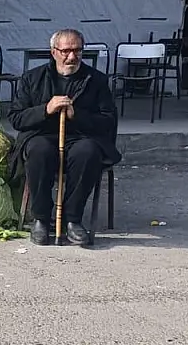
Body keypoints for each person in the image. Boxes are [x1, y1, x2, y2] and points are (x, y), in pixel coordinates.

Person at [8, 29, 120, 247]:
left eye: (77, 51)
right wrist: (45, 109)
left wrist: (76, 115)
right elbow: (16, 118)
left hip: (81, 136)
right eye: (66, 51)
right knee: (39, 150)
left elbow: (108, 121)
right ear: (53, 52)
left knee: (87, 152)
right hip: (42, 135)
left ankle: (73, 220)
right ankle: (40, 218)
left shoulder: (96, 80)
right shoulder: (33, 78)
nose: (72, 57)